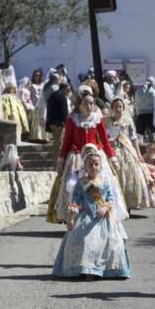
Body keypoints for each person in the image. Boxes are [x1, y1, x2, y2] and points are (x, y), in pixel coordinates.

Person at [52, 145, 131, 279]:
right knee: (83, 240)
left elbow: (110, 199)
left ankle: (105, 269)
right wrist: (71, 217)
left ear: (100, 165)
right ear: (85, 167)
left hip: (104, 218)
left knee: (112, 242)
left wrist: (105, 208)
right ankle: (86, 269)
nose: (94, 167)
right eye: (90, 165)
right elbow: (75, 201)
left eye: (96, 164)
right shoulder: (81, 183)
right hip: (86, 217)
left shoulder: (106, 182)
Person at [47, 92, 119, 224]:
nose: (89, 106)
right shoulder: (72, 119)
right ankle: (74, 216)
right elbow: (67, 142)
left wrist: (112, 158)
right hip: (76, 158)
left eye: (92, 103)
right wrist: (61, 160)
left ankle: (99, 211)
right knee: (74, 186)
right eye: (86, 103)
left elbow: (105, 141)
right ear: (79, 104)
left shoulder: (97, 118)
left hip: (94, 156)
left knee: (98, 184)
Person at [106, 98, 153, 211]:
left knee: (130, 176)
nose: (118, 109)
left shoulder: (127, 120)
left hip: (127, 150)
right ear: (112, 108)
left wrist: (138, 153)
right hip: (113, 150)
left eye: (120, 107)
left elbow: (133, 138)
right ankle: (115, 203)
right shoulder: (107, 121)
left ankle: (128, 203)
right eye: (116, 106)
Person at [45, 80, 71, 156]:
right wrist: (64, 122)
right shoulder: (62, 97)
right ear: (64, 88)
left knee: (56, 144)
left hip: (51, 122)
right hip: (58, 124)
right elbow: (63, 111)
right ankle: (56, 165)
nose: (68, 92)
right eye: (68, 90)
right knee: (59, 145)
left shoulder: (52, 95)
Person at [27, 69, 49, 143]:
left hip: (43, 106)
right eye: (36, 75)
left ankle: (44, 137)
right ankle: (36, 137)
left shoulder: (43, 84)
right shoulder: (31, 85)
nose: (37, 77)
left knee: (43, 121)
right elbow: (27, 95)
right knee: (36, 123)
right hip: (35, 106)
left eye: (39, 75)